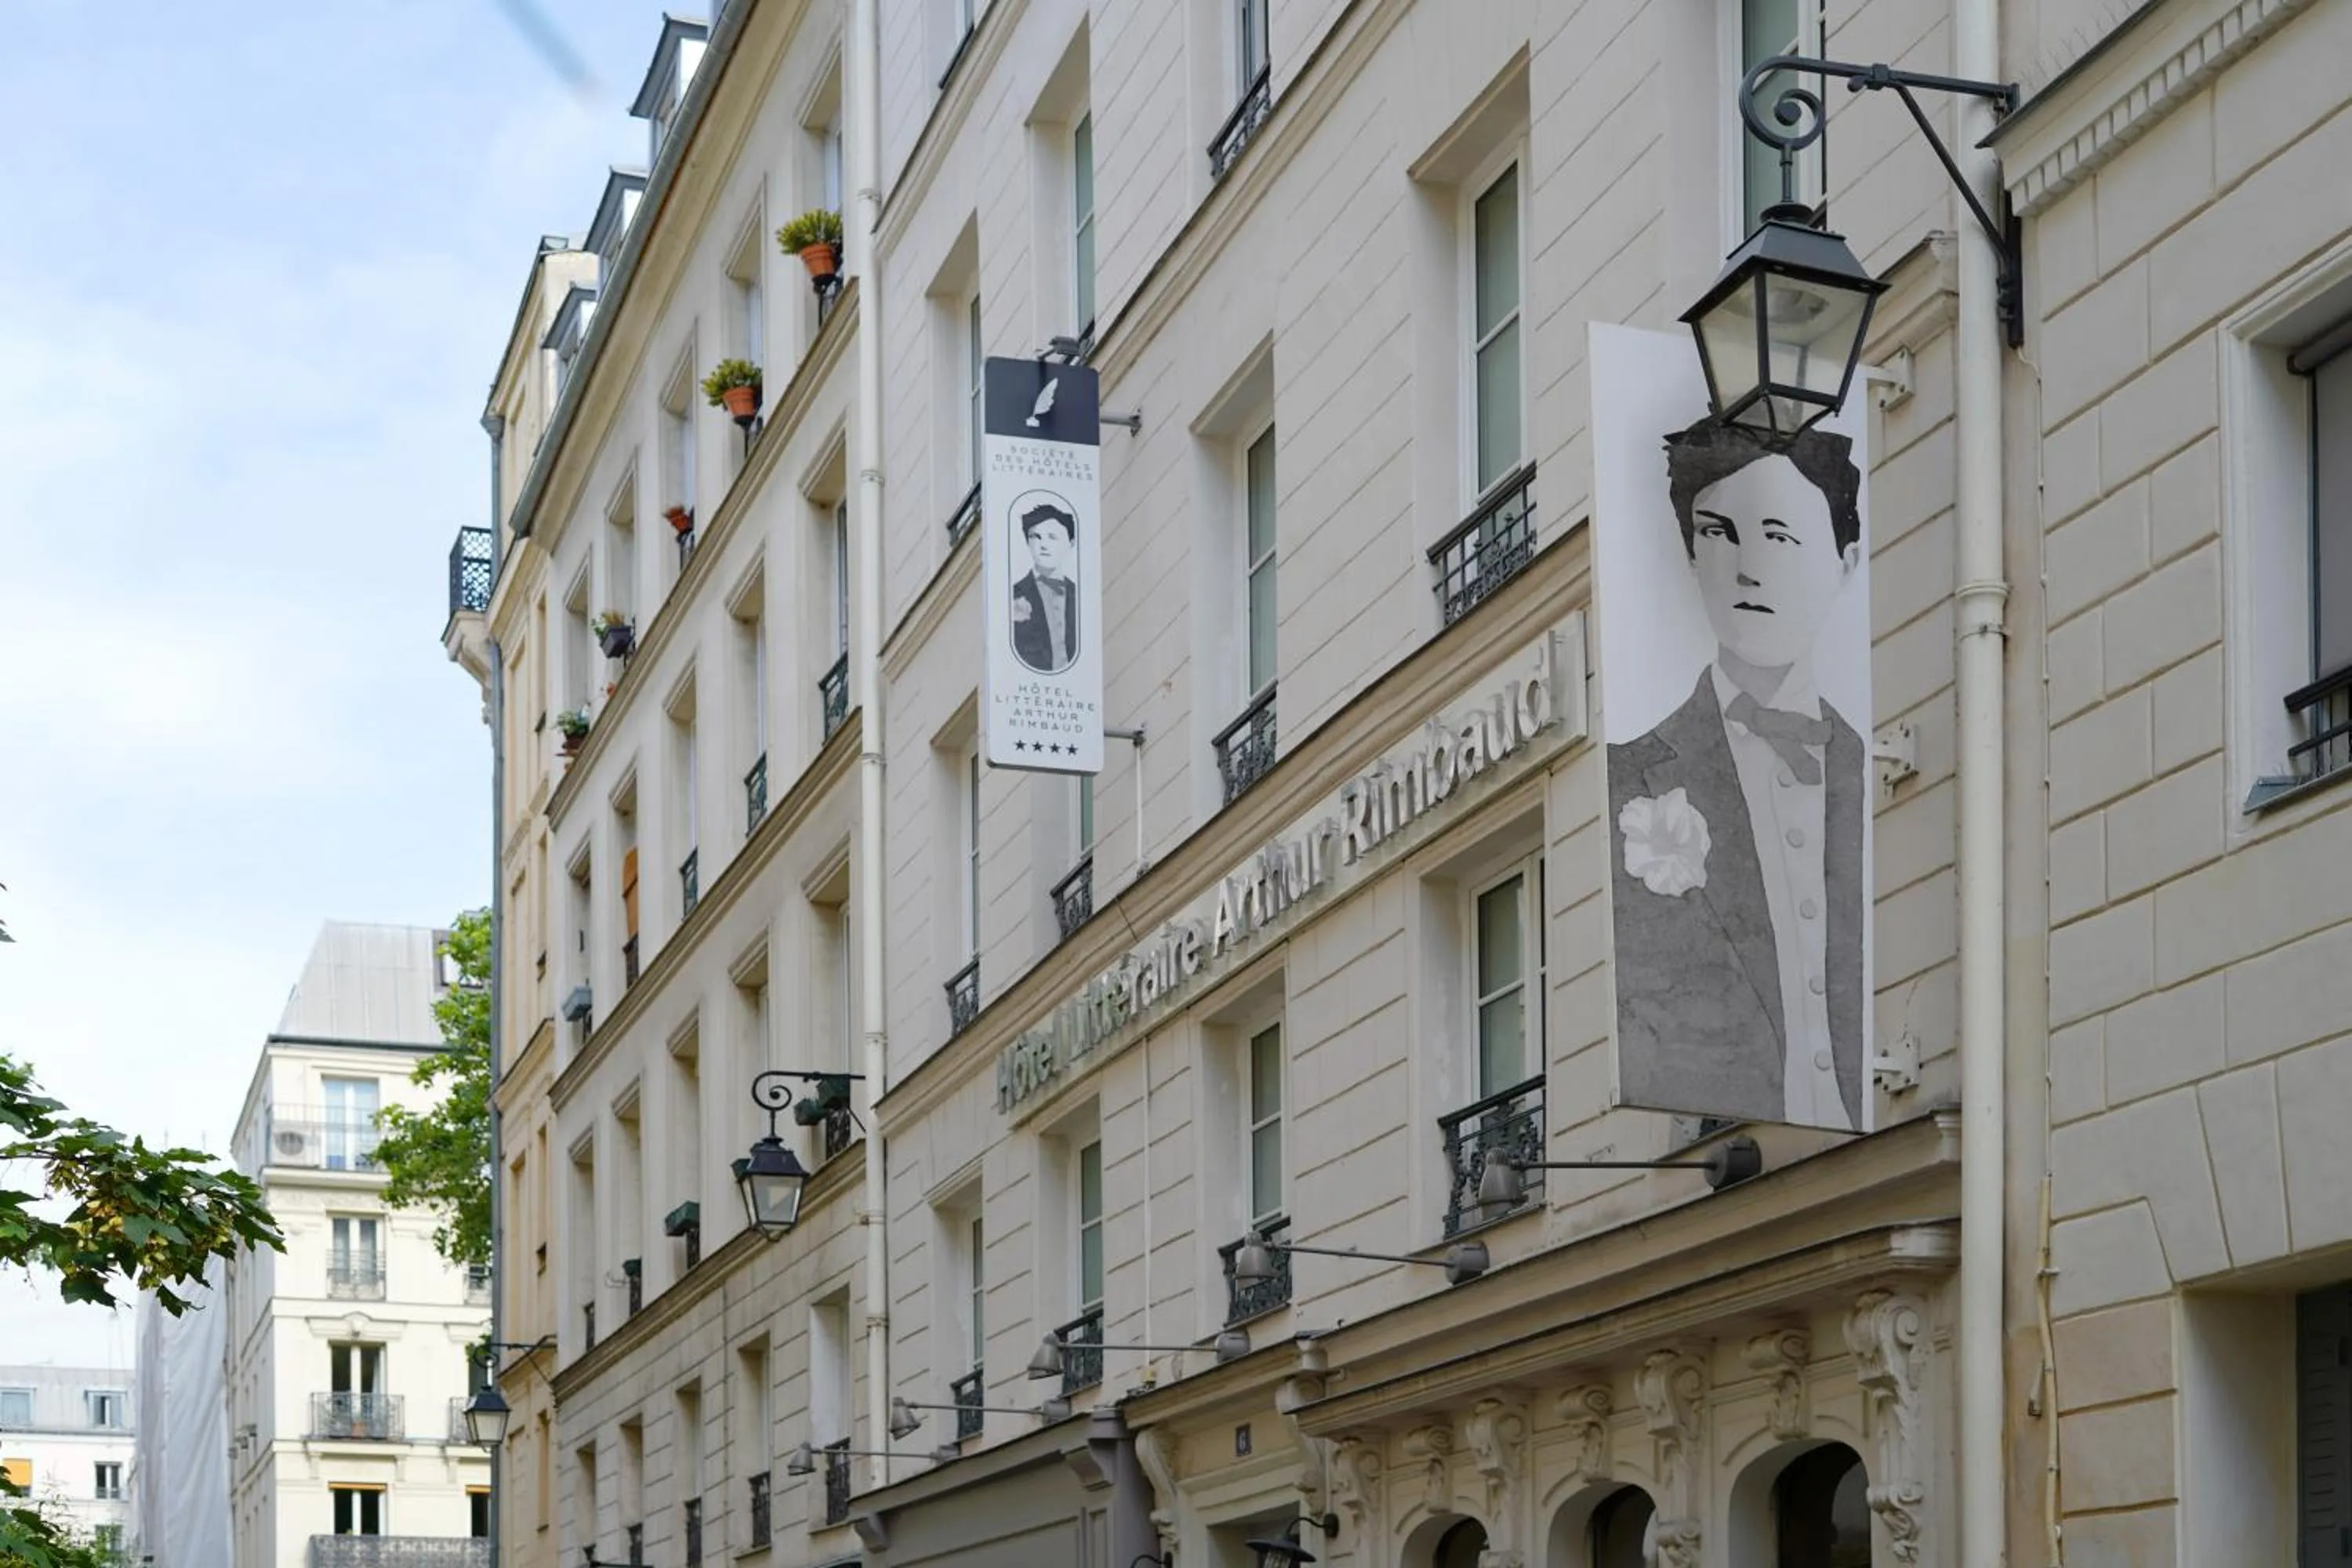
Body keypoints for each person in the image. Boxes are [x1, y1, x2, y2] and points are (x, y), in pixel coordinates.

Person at [1607, 415, 1866, 1131]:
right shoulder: (1628, 780)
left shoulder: (1880, 765)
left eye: (1779, 535)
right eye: (1719, 533)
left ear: (1846, 562)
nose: (1748, 568)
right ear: (1691, 555)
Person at [1010, 499, 1080, 674]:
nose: (1043, 545)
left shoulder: (1081, 596)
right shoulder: (1013, 594)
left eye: (1053, 537)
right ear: (1027, 542)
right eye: (1036, 537)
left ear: (1071, 543)